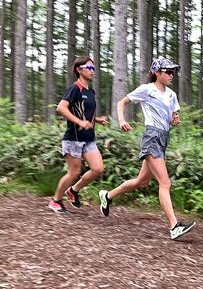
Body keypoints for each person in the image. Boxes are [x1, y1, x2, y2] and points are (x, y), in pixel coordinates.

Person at [98, 57, 195, 240]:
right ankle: (174, 226)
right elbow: (121, 103)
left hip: (163, 138)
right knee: (165, 183)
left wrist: (174, 121)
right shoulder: (147, 89)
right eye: (168, 72)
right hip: (151, 137)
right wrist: (122, 120)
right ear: (157, 73)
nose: (171, 75)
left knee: (141, 182)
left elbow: (171, 120)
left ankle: (108, 196)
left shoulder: (172, 95)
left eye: (173, 72)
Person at [49, 56, 108, 213]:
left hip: (88, 138)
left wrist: (97, 120)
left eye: (94, 68)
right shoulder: (74, 88)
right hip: (73, 139)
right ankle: (56, 201)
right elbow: (61, 108)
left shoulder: (90, 91)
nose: (92, 71)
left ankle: (73, 190)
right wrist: (80, 122)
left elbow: (85, 112)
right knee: (74, 172)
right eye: (89, 68)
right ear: (79, 69)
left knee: (98, 169)